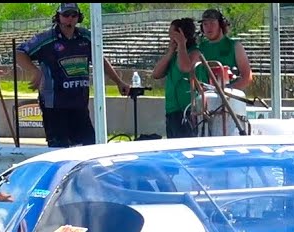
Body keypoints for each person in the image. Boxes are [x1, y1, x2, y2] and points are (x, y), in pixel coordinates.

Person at [15, 3, 130, 148]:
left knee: (89, 148)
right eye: (66, 15)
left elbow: (100, 59)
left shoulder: (86, 37)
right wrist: (35, 71)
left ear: (78, 18)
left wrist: (119, 82)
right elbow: (18, 53)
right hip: (55, 106)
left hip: (79, 104)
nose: (69, 19)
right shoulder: (46, 39)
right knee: (59, 151)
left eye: (73, 15)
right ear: (58, 17)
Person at [151, 18, 207, 138]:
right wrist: (170, 52)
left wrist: (182, 44)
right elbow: (156, 74)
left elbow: (185, 67)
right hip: (172, 110)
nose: (170, 37)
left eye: (173, 34)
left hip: (187, 110)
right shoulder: (175, 55)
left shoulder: (195, 52)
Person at [197, 8, 253, 92]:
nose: (208, 27)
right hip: (206, 97)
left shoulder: (234, 46)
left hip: (229, 97)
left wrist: (228, 89)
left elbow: (247, 77)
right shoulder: (200, 48)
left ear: (221, 25)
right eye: (205, 24)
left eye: (212, 23)